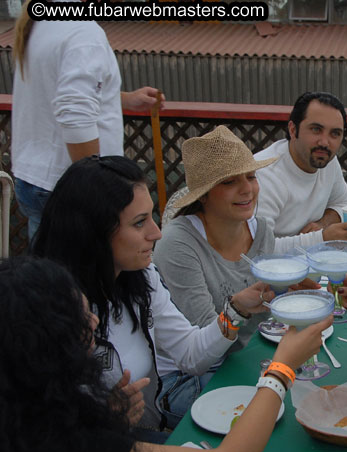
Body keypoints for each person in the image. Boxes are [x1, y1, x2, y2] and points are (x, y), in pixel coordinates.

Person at [31, 156, 270, 437]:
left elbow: (191, 355)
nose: (156, 233)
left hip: (133, 431)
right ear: (94, 231)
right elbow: (34, 423)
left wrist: (236, 310)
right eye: (139, 223)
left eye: (151, 217)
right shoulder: (45, 305)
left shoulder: (141, 277)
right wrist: (99, 416)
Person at [0, 255, 331, 452]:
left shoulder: (31, 409)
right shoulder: (62, 438)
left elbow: (191, 353)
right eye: (81, 317)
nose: (95, 321)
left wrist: (105, 413)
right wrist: (282, 369)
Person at [154, 126, 331, 363]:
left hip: (254, 356)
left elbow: (269, 317)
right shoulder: (178, 244)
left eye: (251, 177)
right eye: (229, 182)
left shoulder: (261, 229)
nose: (247, 189)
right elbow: (207, 341)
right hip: (201, 374)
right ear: (203, 195)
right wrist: (240, 307)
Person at [11, 3, 163, 239]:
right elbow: (75, 116)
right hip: (71, 189)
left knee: (47, 272)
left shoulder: (43, 22)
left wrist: (124, 99)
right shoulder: (83, 33)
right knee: (78, 274)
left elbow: (60, 94)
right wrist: (95, 186)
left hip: (36, 178)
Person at [254, 91, 347, 244]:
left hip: (313, 259)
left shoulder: (328, 160)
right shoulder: (263, 174)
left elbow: (343, 203)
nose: (325, 142)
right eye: (316, 129)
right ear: (293, 130)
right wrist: (320, 237)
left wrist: (323, 224)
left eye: (335, 133)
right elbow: (257, 249)